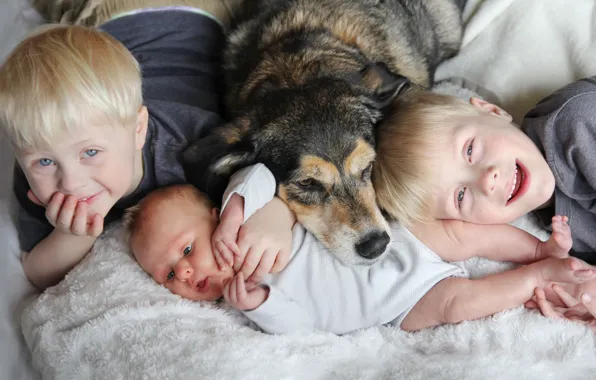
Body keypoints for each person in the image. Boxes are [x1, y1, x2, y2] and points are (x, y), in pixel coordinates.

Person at [0, 1, 290, 291]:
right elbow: (37, 272)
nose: (71, 182)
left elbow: (274, 167)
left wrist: (276, 213)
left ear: (138, 130)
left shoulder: (191, 146)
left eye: (90, 152)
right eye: (45, 162)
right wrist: (72, 234)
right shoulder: (35, 155)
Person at [125, 163, 595, 334]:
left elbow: (262, 173)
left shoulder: (244, 215)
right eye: (168, 275)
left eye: (185, 250)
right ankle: (533, 277)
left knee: (460, 234)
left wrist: (237, 210)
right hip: (396, 306)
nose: (185, 274)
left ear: (213, 216)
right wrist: (263, 306)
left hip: (400, 245)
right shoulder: (246, 299)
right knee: (457, 305)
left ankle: (537, 252)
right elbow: (303, 327)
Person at [372, 85, 596, 328]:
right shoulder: (551, 229)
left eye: (470, 150)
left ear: (492, 111)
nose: (486, 180)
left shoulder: (575, 124)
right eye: (460, 196)